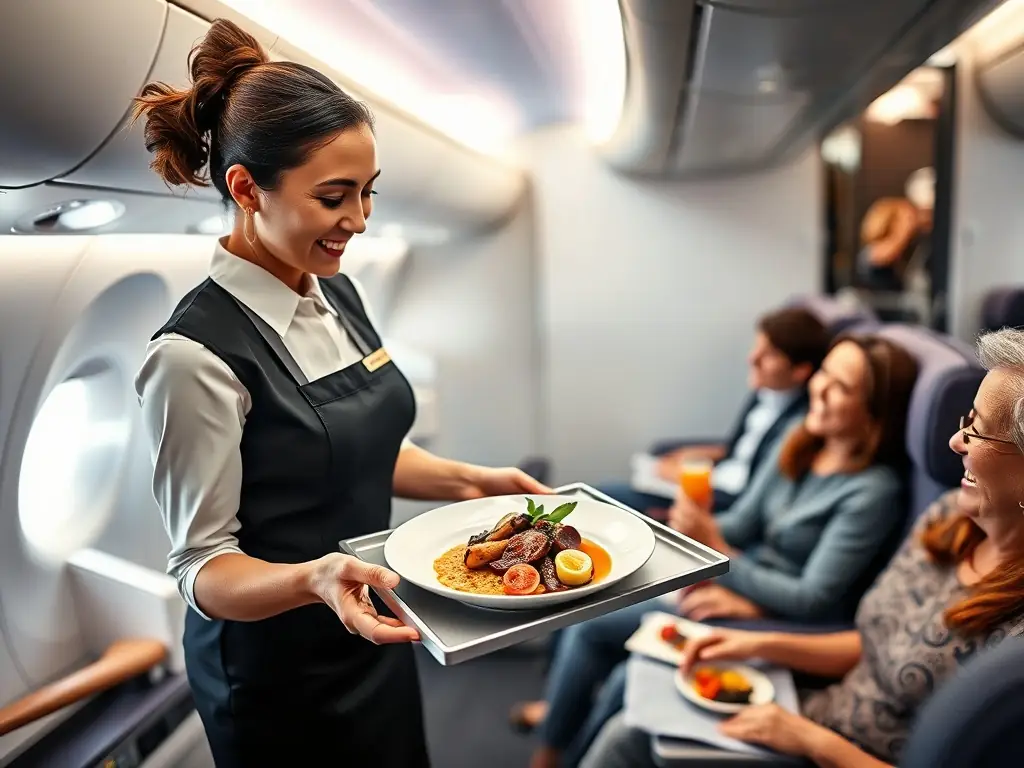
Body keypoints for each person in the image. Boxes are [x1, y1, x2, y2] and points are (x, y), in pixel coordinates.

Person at [131, 19, 549, 768]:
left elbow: (354, 447)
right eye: (333, 197)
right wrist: (316, 578)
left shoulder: (338, 292)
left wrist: (473, 482)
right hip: (276, 673)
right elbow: (202, 568)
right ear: (246, 188)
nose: (357, 221)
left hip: (370, 619)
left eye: (367, 193)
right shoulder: (193, 356)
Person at [580, 327, 1024, 768]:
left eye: (979, 432)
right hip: (819, 710)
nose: (955, 442)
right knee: (636, 696)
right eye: (966, 420)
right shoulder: (946, 517)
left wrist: (810, 740)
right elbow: (871, 644)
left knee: (628, 736)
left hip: (838, 748)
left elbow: (813, 600)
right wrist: (756, 643)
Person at [515, 333, 919, 767]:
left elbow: (812, 597)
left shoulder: (873, 493)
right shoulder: (801, 441)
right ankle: (555, 742)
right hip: (739, 588)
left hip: (778, 616)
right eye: (823, 373)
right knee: (599, 617)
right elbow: (743, 522)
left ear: (875, 413)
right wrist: (678, 531)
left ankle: (555, 750)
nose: (818, 388)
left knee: (598, 634)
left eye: (840, 386)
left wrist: (722, 557)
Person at [598, 307, 830, 517]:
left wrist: (682, 477)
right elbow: (738, 448)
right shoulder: (766, 391)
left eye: (768, 354)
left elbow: (753, 495)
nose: (753, 358)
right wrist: (692, 455)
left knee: (601, 496)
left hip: (727, 500)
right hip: (721, 475)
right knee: (660, 452)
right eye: (756, 347)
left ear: (800, 370)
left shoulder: (799, 425)